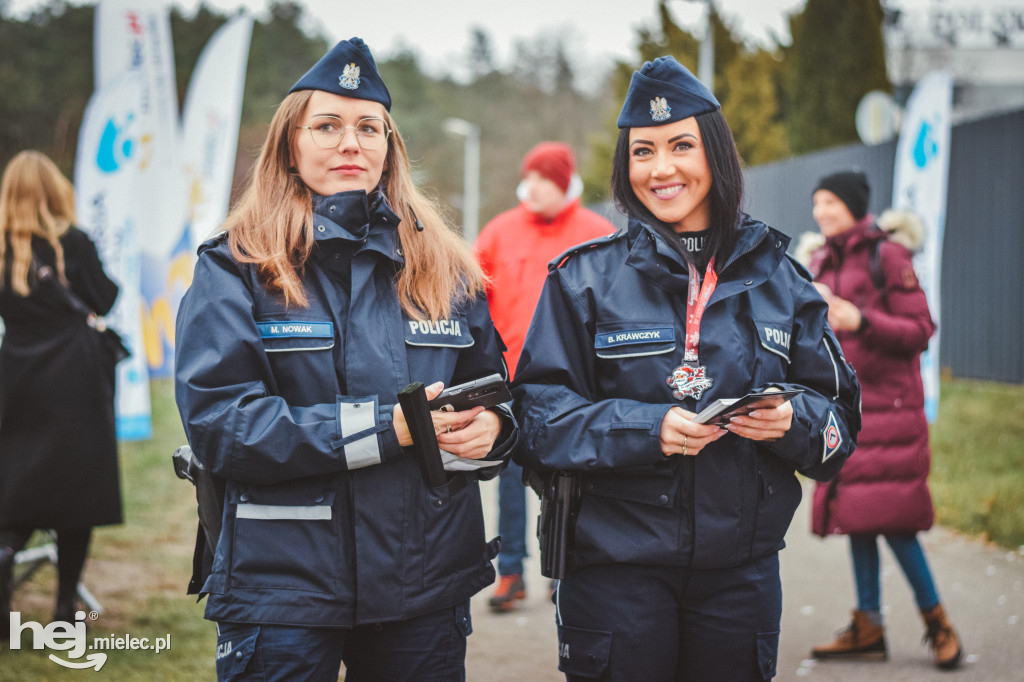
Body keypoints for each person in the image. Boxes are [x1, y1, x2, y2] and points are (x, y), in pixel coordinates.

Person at [174, 37, 518, 682]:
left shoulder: (447, 268)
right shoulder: (234, 268)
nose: (349, 143)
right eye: (327, 125)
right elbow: (223, 425)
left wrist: (495, 430)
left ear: (390, 148)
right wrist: (385, 430)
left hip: (425, 584)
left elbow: (495, 394)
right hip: (283, 590)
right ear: (290, 145)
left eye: (368, 127)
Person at [511, 56, 862, 681]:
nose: (661, 168)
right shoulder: (581, 281)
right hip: (614, 575)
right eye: (642, 151)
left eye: (681, 146)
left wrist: (791, 420)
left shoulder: (783, 281)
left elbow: (838, 427)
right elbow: (537, 422)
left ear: (716, 156)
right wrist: (647, 430)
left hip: (740, 580)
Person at [805, 170, 963, 670]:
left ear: (852, 205)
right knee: (857, 517)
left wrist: (862, 321)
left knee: (895, 522)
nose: (820, 212)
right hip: (845, 409)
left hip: (889, 412)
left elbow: (920, 330)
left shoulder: (888, 255)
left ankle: (938, 622)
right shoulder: (818, 261)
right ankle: (868, 626)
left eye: (829, 202)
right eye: (817, 203)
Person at [474, 142, 615, 612]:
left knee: (572, 480)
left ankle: (565, 573)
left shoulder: (598, 234)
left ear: (564, 183)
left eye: (542, 179)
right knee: (510, 481)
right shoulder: (497, 233)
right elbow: (473, 304)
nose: (530, 187)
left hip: (577, 384)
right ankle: (510, 571)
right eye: (528, 177)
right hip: (511, 380)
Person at [0, 150, 122, 632]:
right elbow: (107, 298)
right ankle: (64, 606)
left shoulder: (3, 248)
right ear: (55, 192)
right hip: (75, 380)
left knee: (13, 486)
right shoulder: (73, 242)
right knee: (78, 492)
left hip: (16, 376)